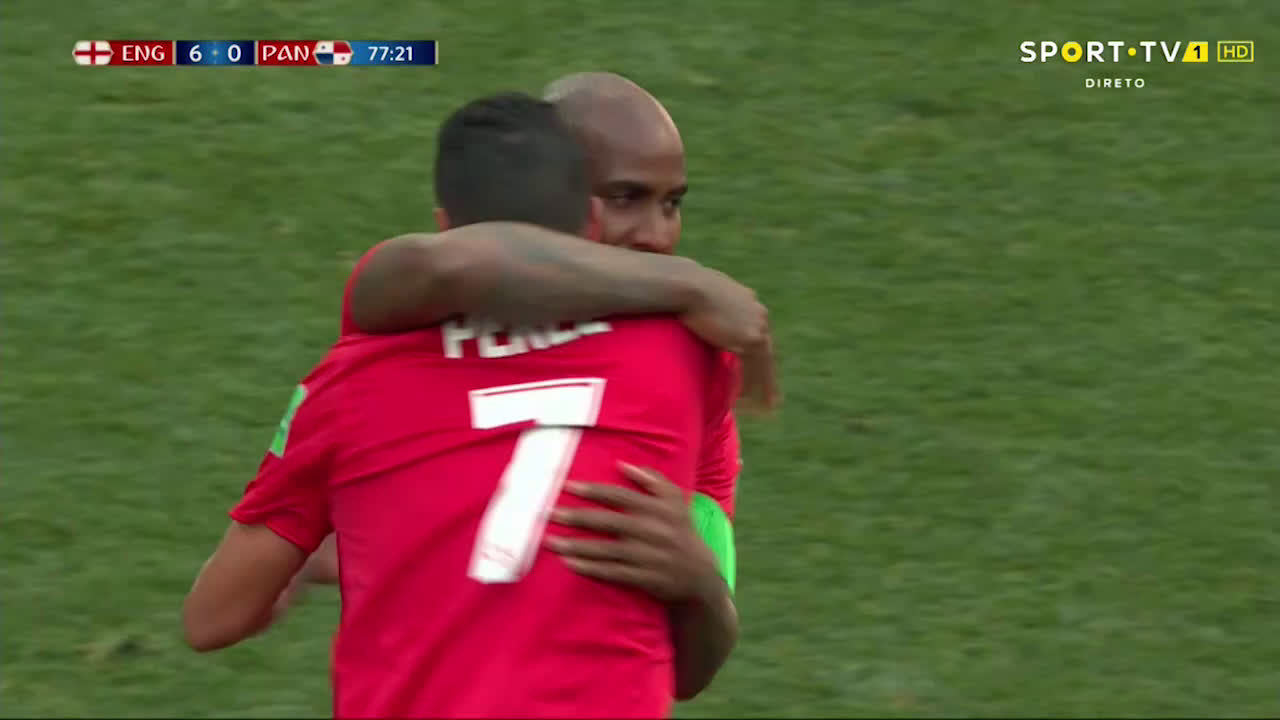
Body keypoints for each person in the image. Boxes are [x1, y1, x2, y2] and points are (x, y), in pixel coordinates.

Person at [183, 92, 763, 719]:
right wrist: (700, 285)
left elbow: (213, 618)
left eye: (672, 205)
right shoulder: (690, 359)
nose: (657, 237)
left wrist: (699, 583)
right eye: (626, 198)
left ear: (445, 221)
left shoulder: (354, 378)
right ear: (587, 217)